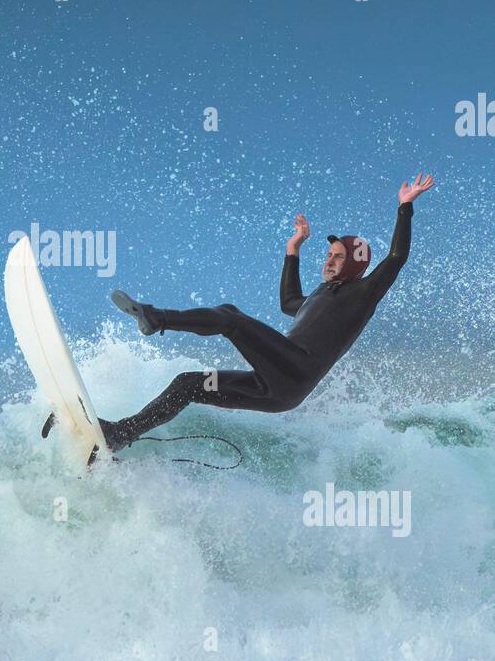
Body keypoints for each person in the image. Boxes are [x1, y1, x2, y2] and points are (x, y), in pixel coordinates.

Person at [99, 173, 434, 452]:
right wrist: (293, 249)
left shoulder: (363, 294)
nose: (329, 261)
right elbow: (288, 302)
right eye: (329, 254)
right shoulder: (318, 296)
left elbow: (395, 258)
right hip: (274, 388)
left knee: (229, 316)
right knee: (188, 384)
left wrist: (405, 207)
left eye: (338, 257)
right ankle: (120, 434)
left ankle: (157, 318)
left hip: (296, 369)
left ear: (356, 265)